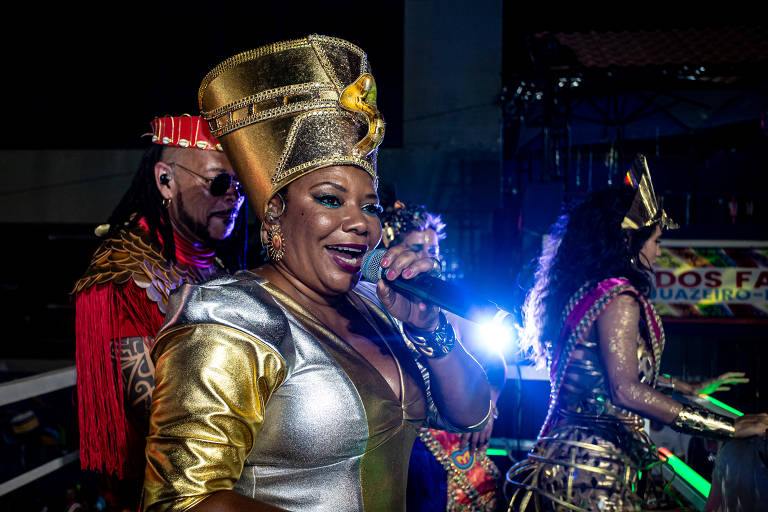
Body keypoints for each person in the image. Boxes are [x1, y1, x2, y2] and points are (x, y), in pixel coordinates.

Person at [141, 35, 492, 512]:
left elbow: (469, 415)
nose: (360, 222)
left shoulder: (374, 304)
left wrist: (430, 329)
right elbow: (182, 502)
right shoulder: (228, 319)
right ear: (275, 215)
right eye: (330, 199)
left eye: (371, 207)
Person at [504, 155, 768, 511]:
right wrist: (728, 428)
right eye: (655, 241)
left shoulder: (588, 290)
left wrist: (683, 388)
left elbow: (601, 378)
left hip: (574, 458)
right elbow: (624, 389)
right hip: (592, 468)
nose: (659, 253)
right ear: (629, 242)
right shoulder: (618, 297)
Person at [73, 115, 245, 508]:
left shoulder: (215, 267)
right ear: (166, 180)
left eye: (240, 184)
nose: (233, 196)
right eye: (219, 182)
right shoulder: (121, 275)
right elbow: (158, 410)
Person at [380, 200, 506, 511]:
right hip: (400, 444)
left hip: (450, 440)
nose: (427, 258)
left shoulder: (447, 305)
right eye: (416, 248)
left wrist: (487, 406)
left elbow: (495, 363)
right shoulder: (379, 302)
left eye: (433, 250)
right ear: (394, 250)